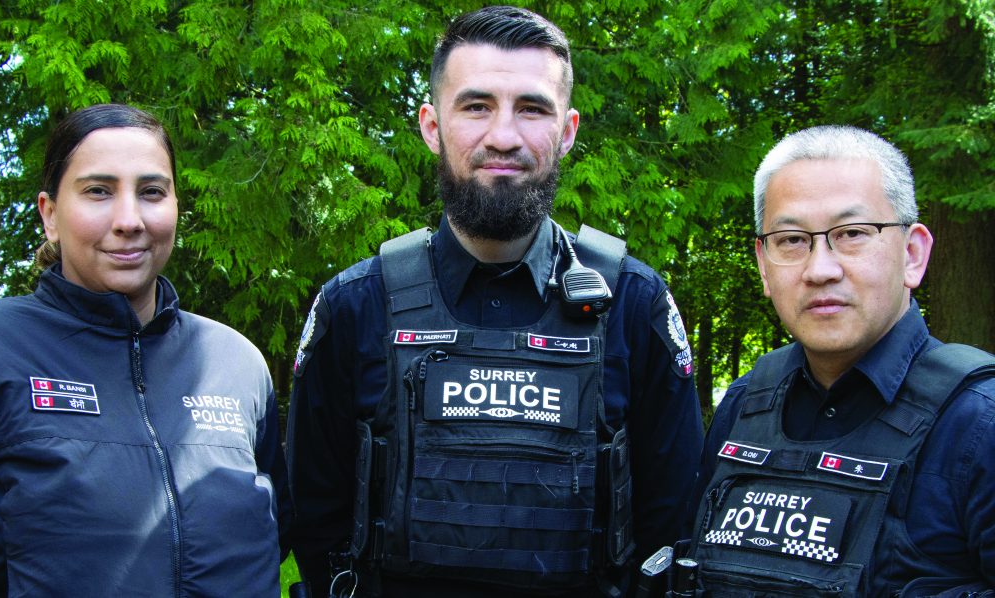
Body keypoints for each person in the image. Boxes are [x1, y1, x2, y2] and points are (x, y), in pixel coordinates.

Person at [287, 5, 703, 597]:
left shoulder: (634, 306)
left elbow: (673, 531)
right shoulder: (355, 308)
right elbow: (314, 524)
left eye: (532, 109)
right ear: (432, 126)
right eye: (476, 106)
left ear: (567, 131)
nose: (503, 136)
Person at [0, 103, 289, 596]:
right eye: (98, 191)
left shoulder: (236, 363)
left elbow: (279, 533)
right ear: (50, 214)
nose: (129, 220)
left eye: (151, 192)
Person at [685, 125, 995, 596]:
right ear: (764, 264)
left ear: (913, 254)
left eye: (852, 234)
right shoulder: (745, 405)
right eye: (792, 240)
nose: (820, 269)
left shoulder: (979, 425)